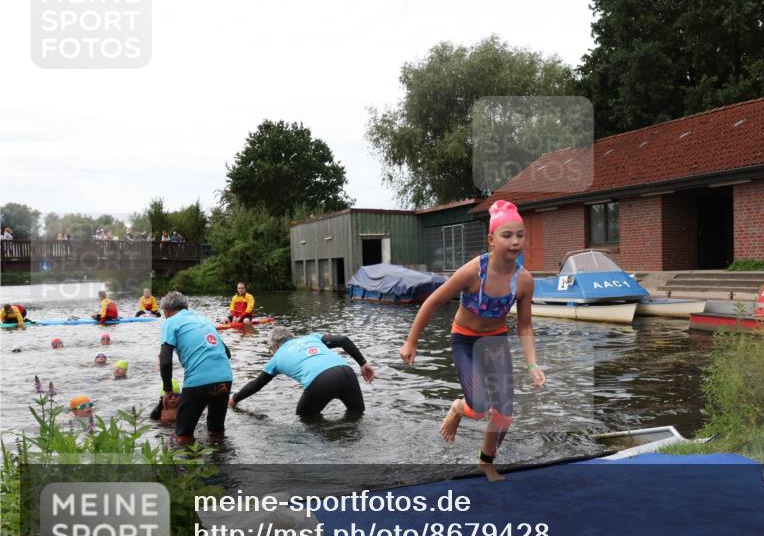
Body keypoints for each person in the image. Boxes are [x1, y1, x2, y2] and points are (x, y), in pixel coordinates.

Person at [399, 200, 545, 481]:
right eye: (507, 235)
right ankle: (457, 408)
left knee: (505, 415)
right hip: (465, 340)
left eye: (520, 235)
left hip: (495, 342)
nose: (515, 241)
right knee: (478, 408)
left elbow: (525, 326)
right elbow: (432, 302)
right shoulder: (473, 272)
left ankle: (486, 461)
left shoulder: (524, 281)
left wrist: (532, 364)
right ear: (491, 239)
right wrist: (411, 342)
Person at [229, 326, 375, 417]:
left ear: (274, 346)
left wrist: (234, 399)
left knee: (304, 418)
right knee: (357, 416)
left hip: (321, 381)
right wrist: (362, 363)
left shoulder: (277, 357)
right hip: (347, 373)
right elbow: (343, 339)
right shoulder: (312, 337)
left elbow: (256, 384)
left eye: (270, 349)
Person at [159, 291, 233, 443]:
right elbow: (227, 352)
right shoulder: (203, 320)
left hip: (199, 381)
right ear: (186, 306)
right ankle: (220, 460)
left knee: (183, 434)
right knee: (216, 430)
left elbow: (165, 360)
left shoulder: (170, 322)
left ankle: (184, 465)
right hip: (225, 377)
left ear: (166, 311)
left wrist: (168, 389)